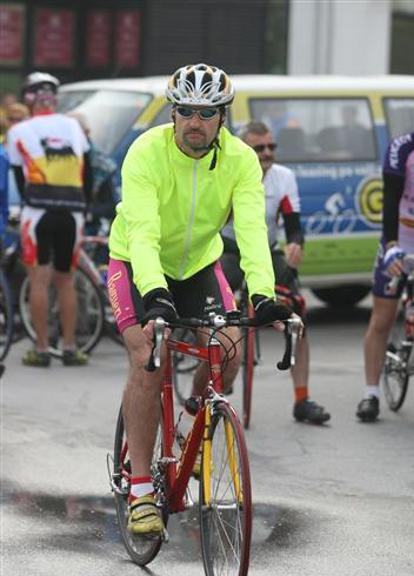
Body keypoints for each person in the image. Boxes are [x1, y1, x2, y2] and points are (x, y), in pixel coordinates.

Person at [107, 63, 290, 537]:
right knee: (148, 357)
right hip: (136, 262)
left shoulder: (241, 160)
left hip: (198, 266)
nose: (195, 121)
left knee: (228, 350)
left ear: (223, 117)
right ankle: (141, 490)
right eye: (186, 111)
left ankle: (187, 429)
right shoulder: (146, 151)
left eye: (207, 113)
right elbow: (142, 232)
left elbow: (252, 230)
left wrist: (263, 295)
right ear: (172, 112)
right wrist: (155, 293)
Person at [221, 121, 330, 425]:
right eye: (259, 148)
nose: (267, 153)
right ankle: (219, 372)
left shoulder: (284, 177)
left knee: (296, 312)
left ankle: (302, 398)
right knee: (214, 305)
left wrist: (296, 244)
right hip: (228, 249)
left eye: (271, 146)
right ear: (245, 150)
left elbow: (293, 225)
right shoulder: (227, 172)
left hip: (265, 249)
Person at [356, 89, 414, 422]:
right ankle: (371, 393)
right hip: (402, 243)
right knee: (382, 319)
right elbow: (390, 201)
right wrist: (391, 244)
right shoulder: (402, 148)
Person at [7, 72, 93, 367]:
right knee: (66, 280)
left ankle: (41, 349)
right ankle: (69, 347)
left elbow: (19, 179)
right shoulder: (73, 125)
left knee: (39, 280)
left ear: (29, 99)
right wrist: (86, 207)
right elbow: (88, 170)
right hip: (73, 211)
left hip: (37, 212)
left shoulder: (19, 130)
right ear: (54, 99)